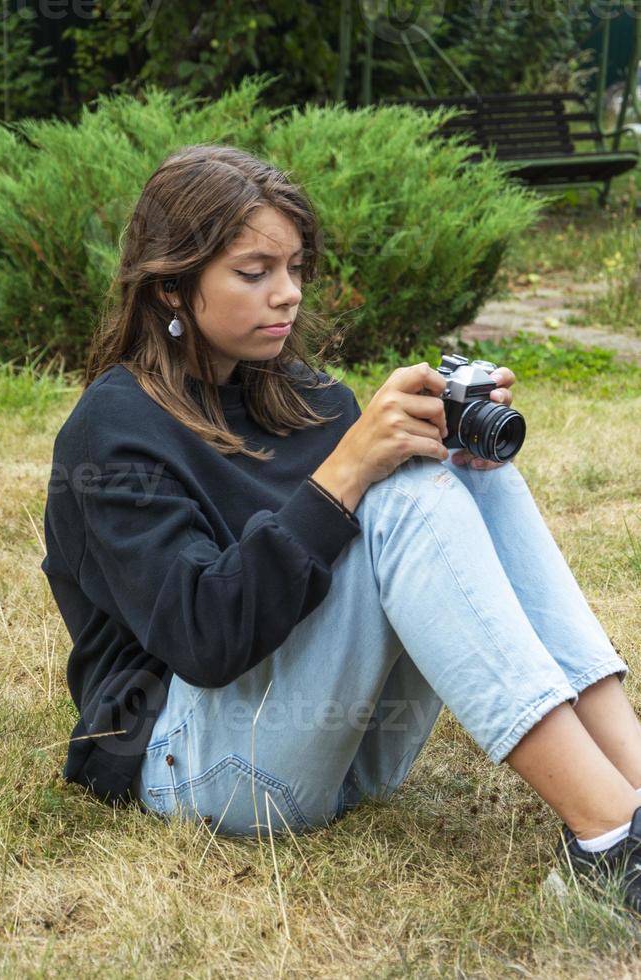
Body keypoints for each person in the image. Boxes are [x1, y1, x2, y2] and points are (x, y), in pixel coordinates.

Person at [42, 143, 641, 912]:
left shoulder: (311, 401)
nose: (286, 294)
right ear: (170, 286)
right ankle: (609, 837)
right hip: (193, 760)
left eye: (295, 268)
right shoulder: (113, 428)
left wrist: (448, 457)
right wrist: (347, 474)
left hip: (346, 755)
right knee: (405, 489)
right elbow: (204, 640)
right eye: (254, 272)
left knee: (450, 467)